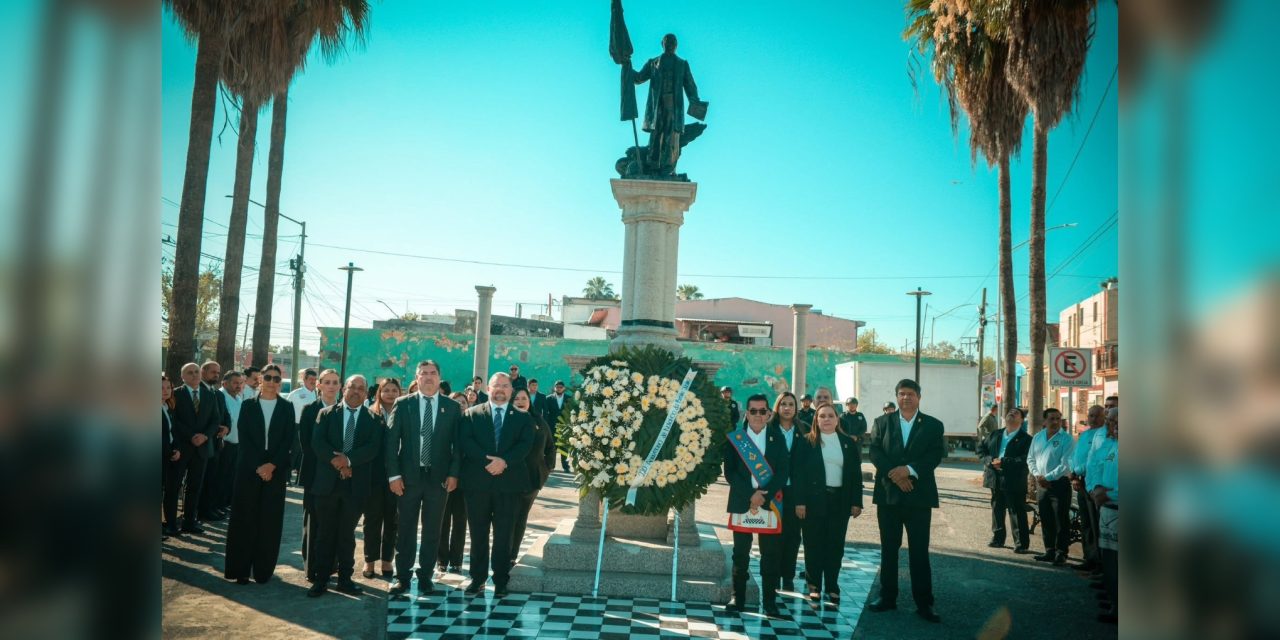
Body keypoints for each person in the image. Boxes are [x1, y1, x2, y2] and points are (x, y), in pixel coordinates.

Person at [867, 379, 945, 623]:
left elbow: (934, 456)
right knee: (889, 550)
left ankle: (924, 603)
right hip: (889, 497)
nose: (906, 398)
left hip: (919, 498)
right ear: (896, 397)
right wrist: (897, 475)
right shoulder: (882, 423)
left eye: (911, 394)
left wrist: (909, 470)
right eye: (901, 394)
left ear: (919, 397)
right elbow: (875, 452)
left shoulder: (933, 425)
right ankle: (887, 598)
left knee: (919, 553)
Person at [385, 360, 464, 595]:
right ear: (416, 378)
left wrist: (453, 474)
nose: (428, 378)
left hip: (438, 480)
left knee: (432, 531)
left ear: (439, 378)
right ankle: (403, 578)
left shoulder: (451, 407)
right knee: (406, 529)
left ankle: (426, 577)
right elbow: (391, 443)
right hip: (408, 478)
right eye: (423, 374)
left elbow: (457, 446)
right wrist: (393, 476)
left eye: (432, 373)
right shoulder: (403, 404)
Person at [460, 372, 533, 598]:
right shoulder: (471, 415)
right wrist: (489, 463)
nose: (500, 389)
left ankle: (501, 580)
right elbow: (466, 442)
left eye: (504, 385)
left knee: (504, 535)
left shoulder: (522, 418)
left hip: (509, 486)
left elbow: (525, 445)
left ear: (511, 390)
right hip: (477, 484)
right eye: (496, 386)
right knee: (478, 533)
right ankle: (477, 579)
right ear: (488, 389)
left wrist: (504, 462)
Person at [307, 375, 382, 597]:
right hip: (326, 484)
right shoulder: (326, 414)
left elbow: (372, 448)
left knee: (346, 535)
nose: (356, 391)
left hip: (355, 486)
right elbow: (318, 444)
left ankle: (345, 579)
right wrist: (338, 463)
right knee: (325, 534)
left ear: (366, 393)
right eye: (352, 387)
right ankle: (320, 580)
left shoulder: (374, 419)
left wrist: (348, 461)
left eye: (361, 388)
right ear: (344, 389)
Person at [224, 364, 297, 585]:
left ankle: (263, 571)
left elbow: (288, 440)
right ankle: (241, 570)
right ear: (260, 379)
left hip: (275, 471)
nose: (272, 382)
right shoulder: (248, 405)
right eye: (268, 377)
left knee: (269, 521)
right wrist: (259, 466)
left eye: (277, 378)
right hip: (248, 469)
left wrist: (271, 465)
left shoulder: (287, 407)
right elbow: (244, 439)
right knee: (244, 519)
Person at [722, 393, 789, 617]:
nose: (758, 415)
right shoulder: (736, 439)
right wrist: (752, 494)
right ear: (747, 413)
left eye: (763, 411)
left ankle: (769, 602)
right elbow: (730, 473)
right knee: (740, 554)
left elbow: (783, 472)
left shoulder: (777, 438)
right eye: (754, 411)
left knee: (771, 556)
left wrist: (763, 496)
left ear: (769, 413)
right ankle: (736, 598)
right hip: (743, 501)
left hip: (769, 504)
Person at [794, 403, 862, 605]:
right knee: (813, 544)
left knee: (835, 546)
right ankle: (814, 586)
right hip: (813, 501)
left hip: (839, 501)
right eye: (821, 416)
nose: (826, 419)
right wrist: (800, 502)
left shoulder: (847, 443)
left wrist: (856, 502)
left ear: (837, 419)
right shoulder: (807, 442)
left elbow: (855, 475)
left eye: (830, 416)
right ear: (816, 419)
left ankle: (832, 585)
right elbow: (798, 474)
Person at [630, 33, 703, 176]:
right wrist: (627, 68)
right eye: (667, 42)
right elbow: (638, 78)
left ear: (676, 45)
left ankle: (667, 168)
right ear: (662, 44)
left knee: (671, 136)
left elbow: (690, 85)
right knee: (656, 134)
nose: (670, 44)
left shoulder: (682, 64)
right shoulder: (653, 63)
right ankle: (653, 166)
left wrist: (695, 100)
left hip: (674, 105)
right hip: (657, 104)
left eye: (673, 42)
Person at [163, 362, 220, 536]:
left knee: (195, 486)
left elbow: (215, 420)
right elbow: (173, 420)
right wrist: (191, 436)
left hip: (202, 448)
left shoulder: (209, 395)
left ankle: (189, 522)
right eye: (190, 372)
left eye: (196, 372)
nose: (195, 375)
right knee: (174, 486)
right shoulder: (176, 394)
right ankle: (171, 524)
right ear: (182, 377)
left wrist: (204, 436)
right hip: (181, 448)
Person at [298, 369, 341, 581]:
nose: (331, 386)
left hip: (340, 475)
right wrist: (329, 460)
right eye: (327, 382)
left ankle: (331, 566)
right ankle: (312, 568)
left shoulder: (345, 410)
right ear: (319, 385)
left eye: (335, 382)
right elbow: (306, 443)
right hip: (315, 474)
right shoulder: (309, 409)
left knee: (334, 523)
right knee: (313, 522)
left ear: (340, 386)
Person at [510, 388, 556, 567]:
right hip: (508, 479)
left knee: (521, 517)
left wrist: (547, 467)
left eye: (524, 398)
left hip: (532, 479)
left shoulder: (539, 422)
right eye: (517, 399)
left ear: (529, 401)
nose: (520, 401)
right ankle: (502, 551)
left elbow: (551, 447)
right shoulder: (507, 421)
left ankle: (512, 554)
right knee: (507, 517)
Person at [977, 407, 1033, 553]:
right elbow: (981, 450)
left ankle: (1021, 544)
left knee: (1016, 511)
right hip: (994, 478)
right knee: (997, 508)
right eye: (1010, 412)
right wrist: (989, 461)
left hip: (1014, 479)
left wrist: (1004, 462)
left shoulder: (1026, 439)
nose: (1011, 414)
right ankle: (998, 538)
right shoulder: (996, 434)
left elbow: (1025, 459)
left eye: (1016, 413)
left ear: (1021, 419)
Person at [363, 377, 402, 580]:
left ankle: (387, 560)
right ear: (379, 392)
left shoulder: (405, 411)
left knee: (392, 519)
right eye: (386, 390)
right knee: (372, 519)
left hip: (397, 476)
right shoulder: (371, 412)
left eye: (394, 390)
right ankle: (369, 560)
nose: (390, 393)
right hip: (374, 475)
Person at [768, 391, 807, 591]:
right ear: (777, 406)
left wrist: (802, 499)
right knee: (773, 535)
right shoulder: (768, 429)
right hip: (773, 490)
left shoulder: (804, 430)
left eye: (791, 404)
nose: (787, 407)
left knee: (792, 535)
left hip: (794, 492)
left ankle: (788, 576)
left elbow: (807, 467)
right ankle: (772, 576)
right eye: (783, 404)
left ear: (796, 408)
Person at [1029, 407, 1075, 566]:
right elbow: (1031, 459)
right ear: (1044, 421)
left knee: (1060, 519)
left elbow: (1066, 464)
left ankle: (1061, 552)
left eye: (1058, 419)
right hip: (1041, 484)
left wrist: (1047, 477)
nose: (1055, 422)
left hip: (1059, 484)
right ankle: (1049, 550)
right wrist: (1037, 475)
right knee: (1046, 517)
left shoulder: (1067, 439)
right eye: (1052, 419)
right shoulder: (1038, 437)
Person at [1087, 407, 1118, 624]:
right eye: (1111, 422)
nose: (1112, 426)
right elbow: (1096, 466)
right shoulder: (1112, 446)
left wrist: (1112, 494)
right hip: (1108, 511)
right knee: (1110, 563)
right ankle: (1115, 605)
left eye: (1116, 422)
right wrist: (1096, 487)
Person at [1070, 405, 1107, 572]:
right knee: (1085, 522)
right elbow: (1075, 456)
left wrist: (1078, 472)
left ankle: (1099, 562)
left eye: (1096, 416)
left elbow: (1095, 460)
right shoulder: (1084, 435)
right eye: (1090, 416)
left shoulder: (1105, 435)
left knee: (1095, 523)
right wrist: (1074, 476)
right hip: (1081, 481)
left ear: (1103, 417)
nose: (1092, 419)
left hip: (1095, 483)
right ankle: (1088, 557)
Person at [197, 361, 231, 523]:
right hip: (202, 442)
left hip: (217, 442)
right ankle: (199, 510)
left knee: (213, 477)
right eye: (213, 372)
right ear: (203, 372)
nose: (216, 376)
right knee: (201, 480)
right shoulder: (199, 391)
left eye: (218, 373)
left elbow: (225, 415)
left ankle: (209, 508)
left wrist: (226, 428)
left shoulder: (218, 394)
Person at [210, 370, 245, 518]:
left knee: (229, 476)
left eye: (240, 383)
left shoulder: (238, 398)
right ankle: (215, 505)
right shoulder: (220, 396)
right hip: (224, 443)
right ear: (225, 383)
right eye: (235, 382)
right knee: (219, 477)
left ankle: (223, 504)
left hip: (236, 444)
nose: (238, 386)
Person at [162, 373, 180, 539]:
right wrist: (169, 452)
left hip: (168, 457)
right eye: (161, 388)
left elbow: (171, 433)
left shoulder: (167, 407)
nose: (165, 391)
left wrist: (176, 449)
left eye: (168, 387)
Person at [543, 380, 571, 472]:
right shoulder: (548, 398)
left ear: (564, 388)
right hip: (552, 426)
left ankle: (565, 466)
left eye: (560, 387)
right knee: (552, 447)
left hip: (565, 426)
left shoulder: (569, 399)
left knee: (564, 447)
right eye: (557, 387)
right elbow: (546, 414)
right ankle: (551, 466)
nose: (558, 389)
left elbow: (571, 412)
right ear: (554, 388)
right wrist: (546, 425)